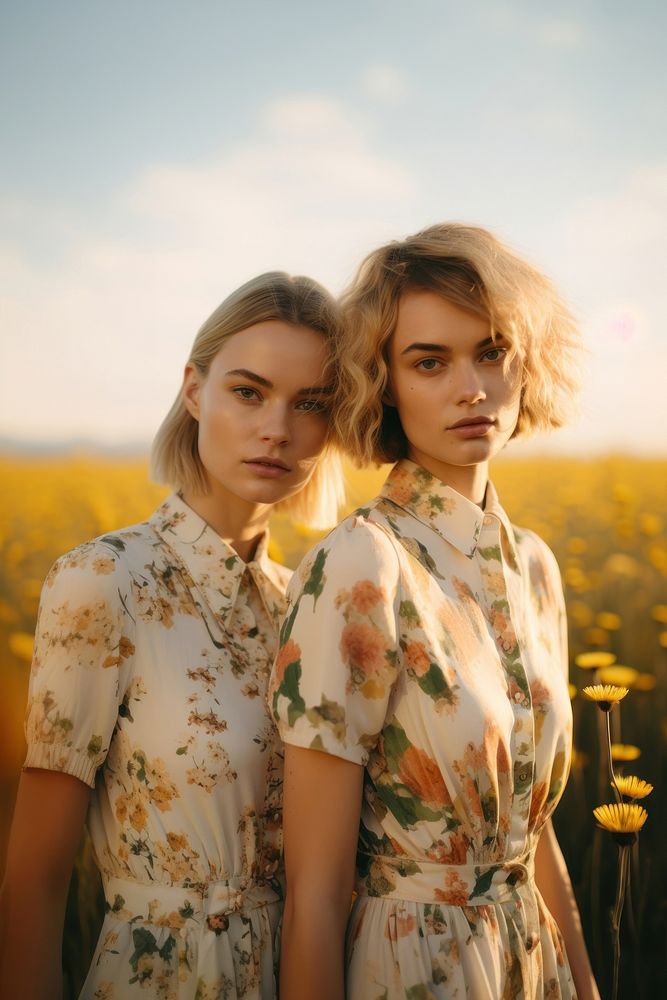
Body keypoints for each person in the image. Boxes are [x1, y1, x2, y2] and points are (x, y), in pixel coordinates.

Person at [270, 224, 601, 1000]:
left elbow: (530, 830)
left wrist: (583, 985)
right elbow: (313, 895)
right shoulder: (358, 567)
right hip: (413, 968)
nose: (472, 387)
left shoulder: (535, 568)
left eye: (492, 352)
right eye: (429, 361)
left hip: (533, 960)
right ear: (380, 382)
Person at [0, 271, 344, 1000]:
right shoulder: (103, 582)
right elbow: (34, 879)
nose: (276, 429)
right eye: (248, 392)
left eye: (310, 405)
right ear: (194, 391)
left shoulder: (311, 604)